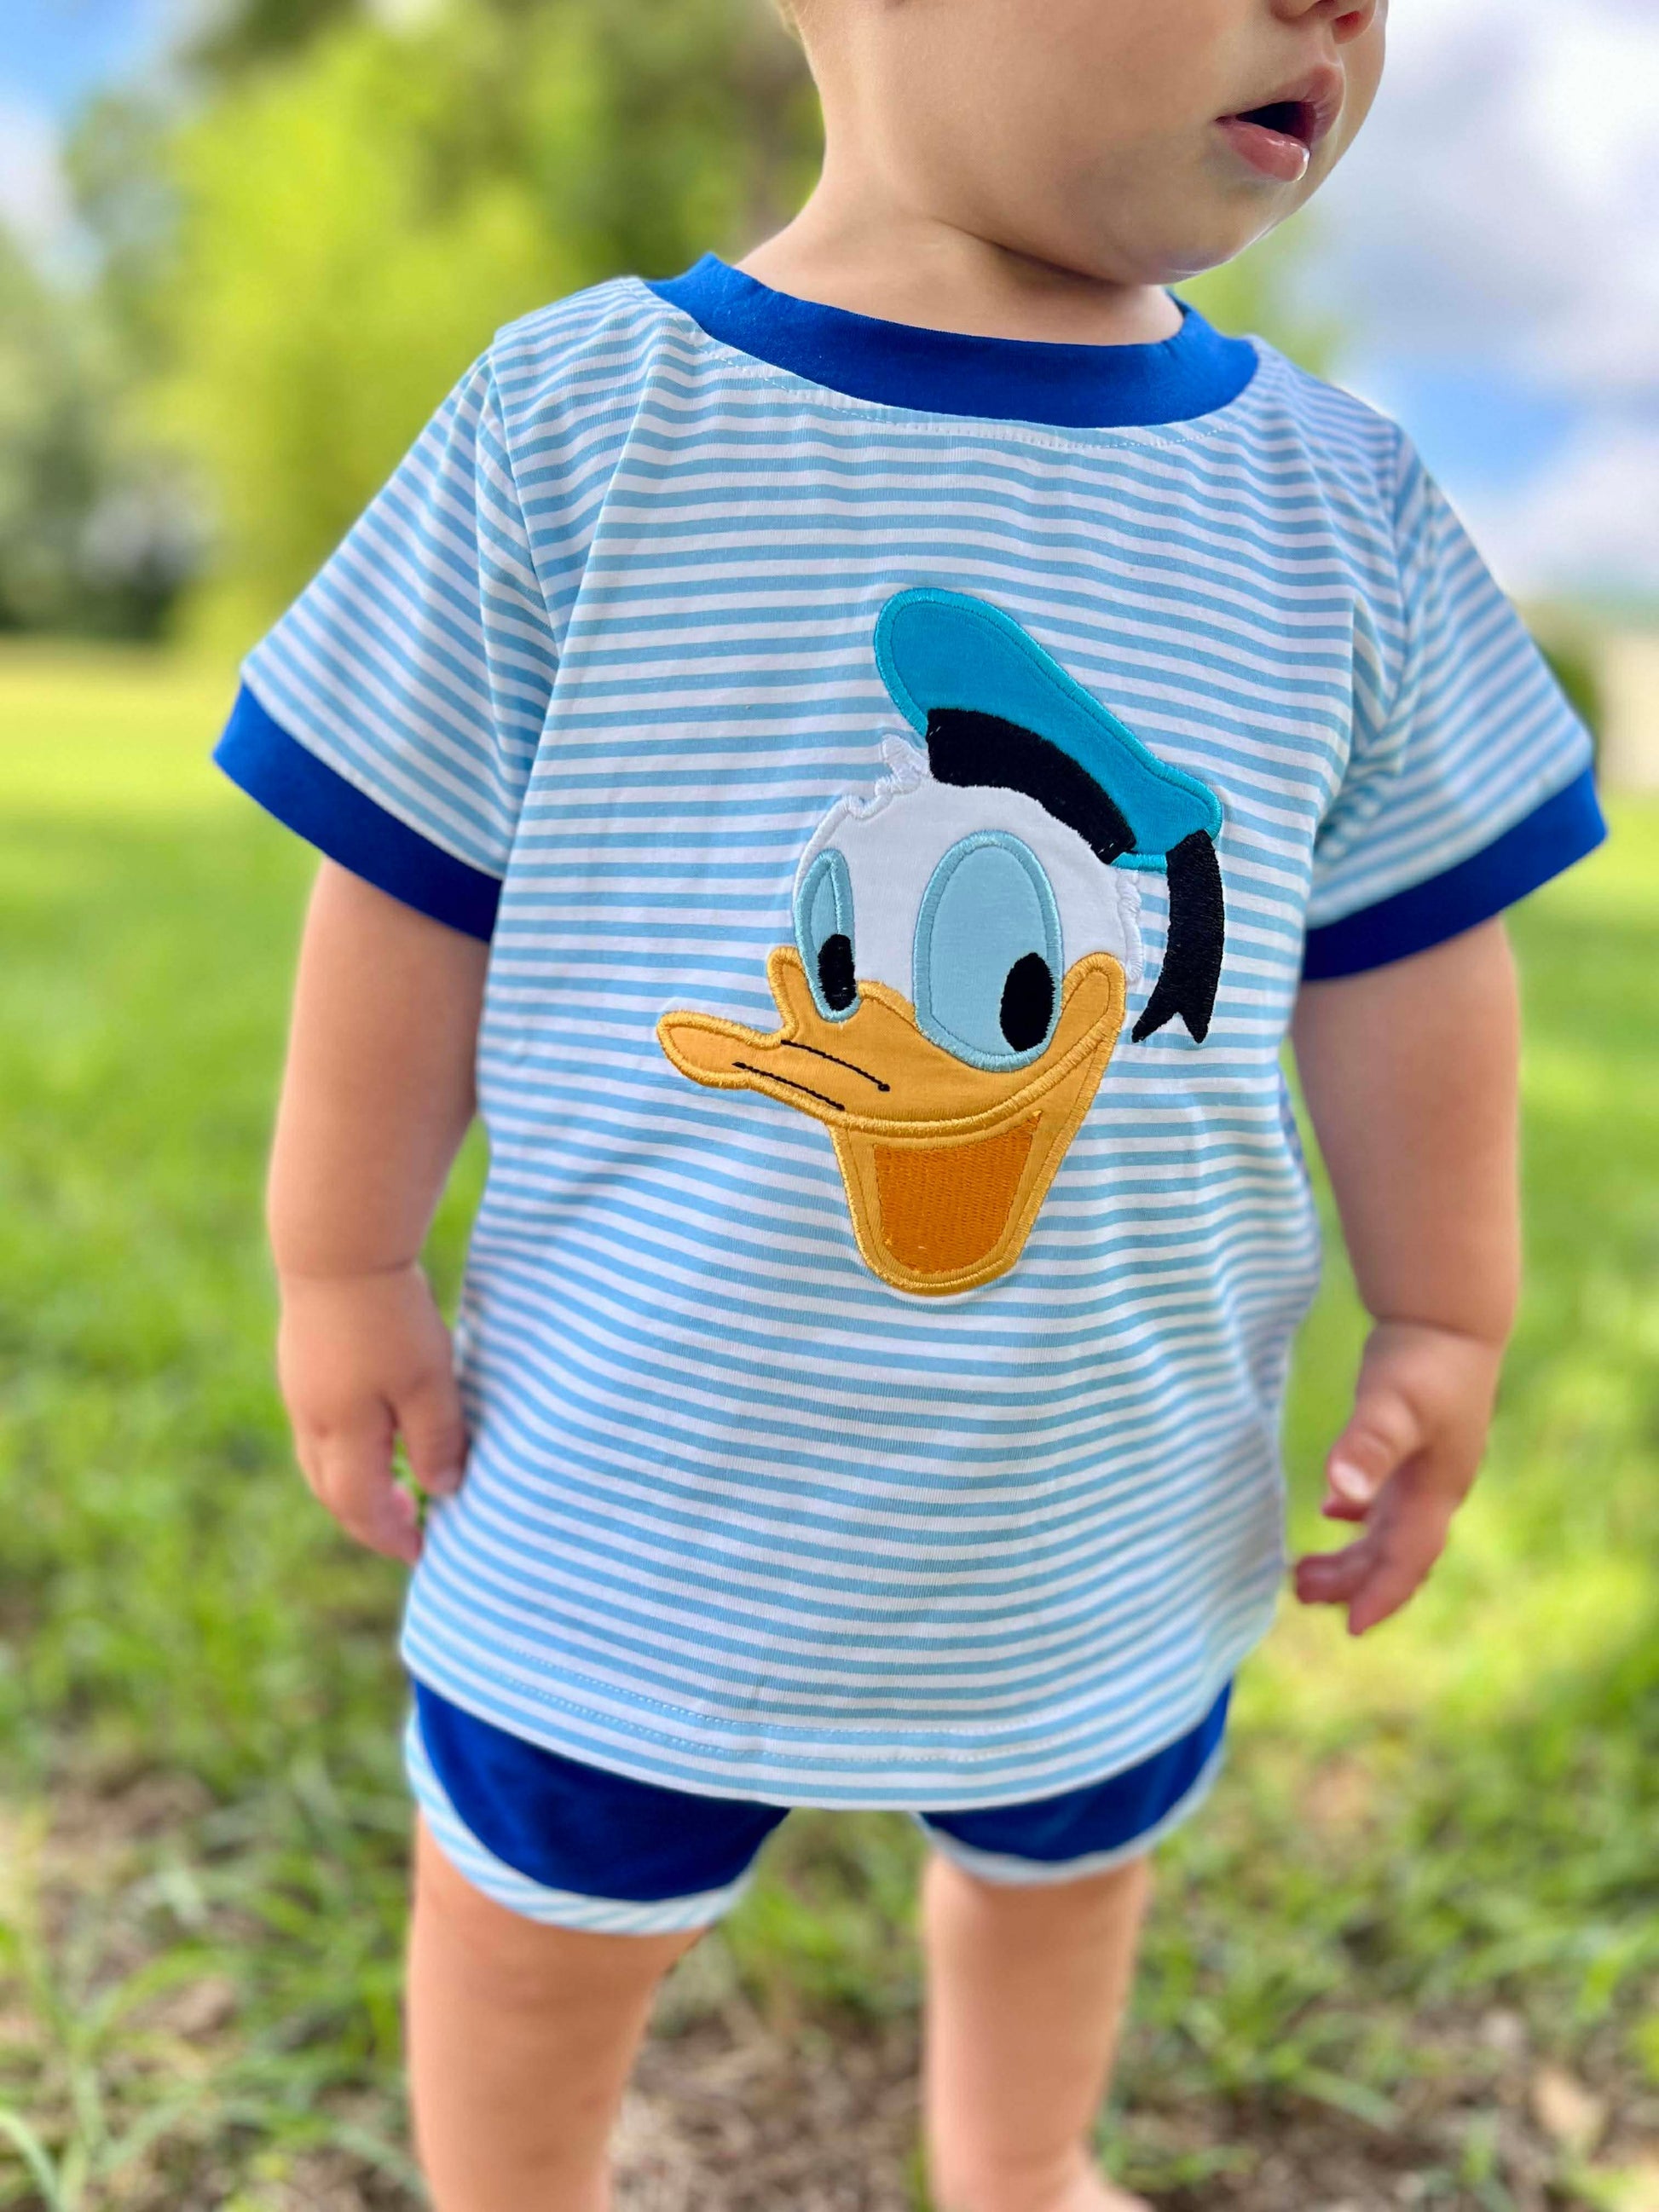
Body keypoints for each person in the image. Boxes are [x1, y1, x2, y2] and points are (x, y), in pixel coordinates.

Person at [214, 1, 1606, 2204]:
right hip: (630, 1490)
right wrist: (341, 1257)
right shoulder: (582, 420)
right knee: (539, 1920)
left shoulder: (1337, 504)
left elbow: (1413, 949)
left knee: (1069, 1863)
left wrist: (1445, 1309)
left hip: (1106, 1487)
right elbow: (404, 876)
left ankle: (1018, 2165)